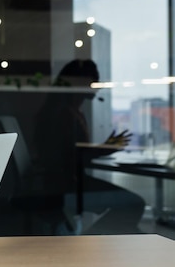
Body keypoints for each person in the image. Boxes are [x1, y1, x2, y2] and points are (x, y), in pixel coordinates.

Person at [33, 59, 145, 234]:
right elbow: (67, 158)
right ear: (80, 83)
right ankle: (91, 241)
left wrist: (104, 147)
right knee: (134, 205)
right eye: (94, 81)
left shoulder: (69, 112)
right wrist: (104, 148)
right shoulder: (64, 114)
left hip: (68, 184)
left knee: (132, 217)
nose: (98, 86)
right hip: (66, 188)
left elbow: (72, 153)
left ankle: (92, 242)